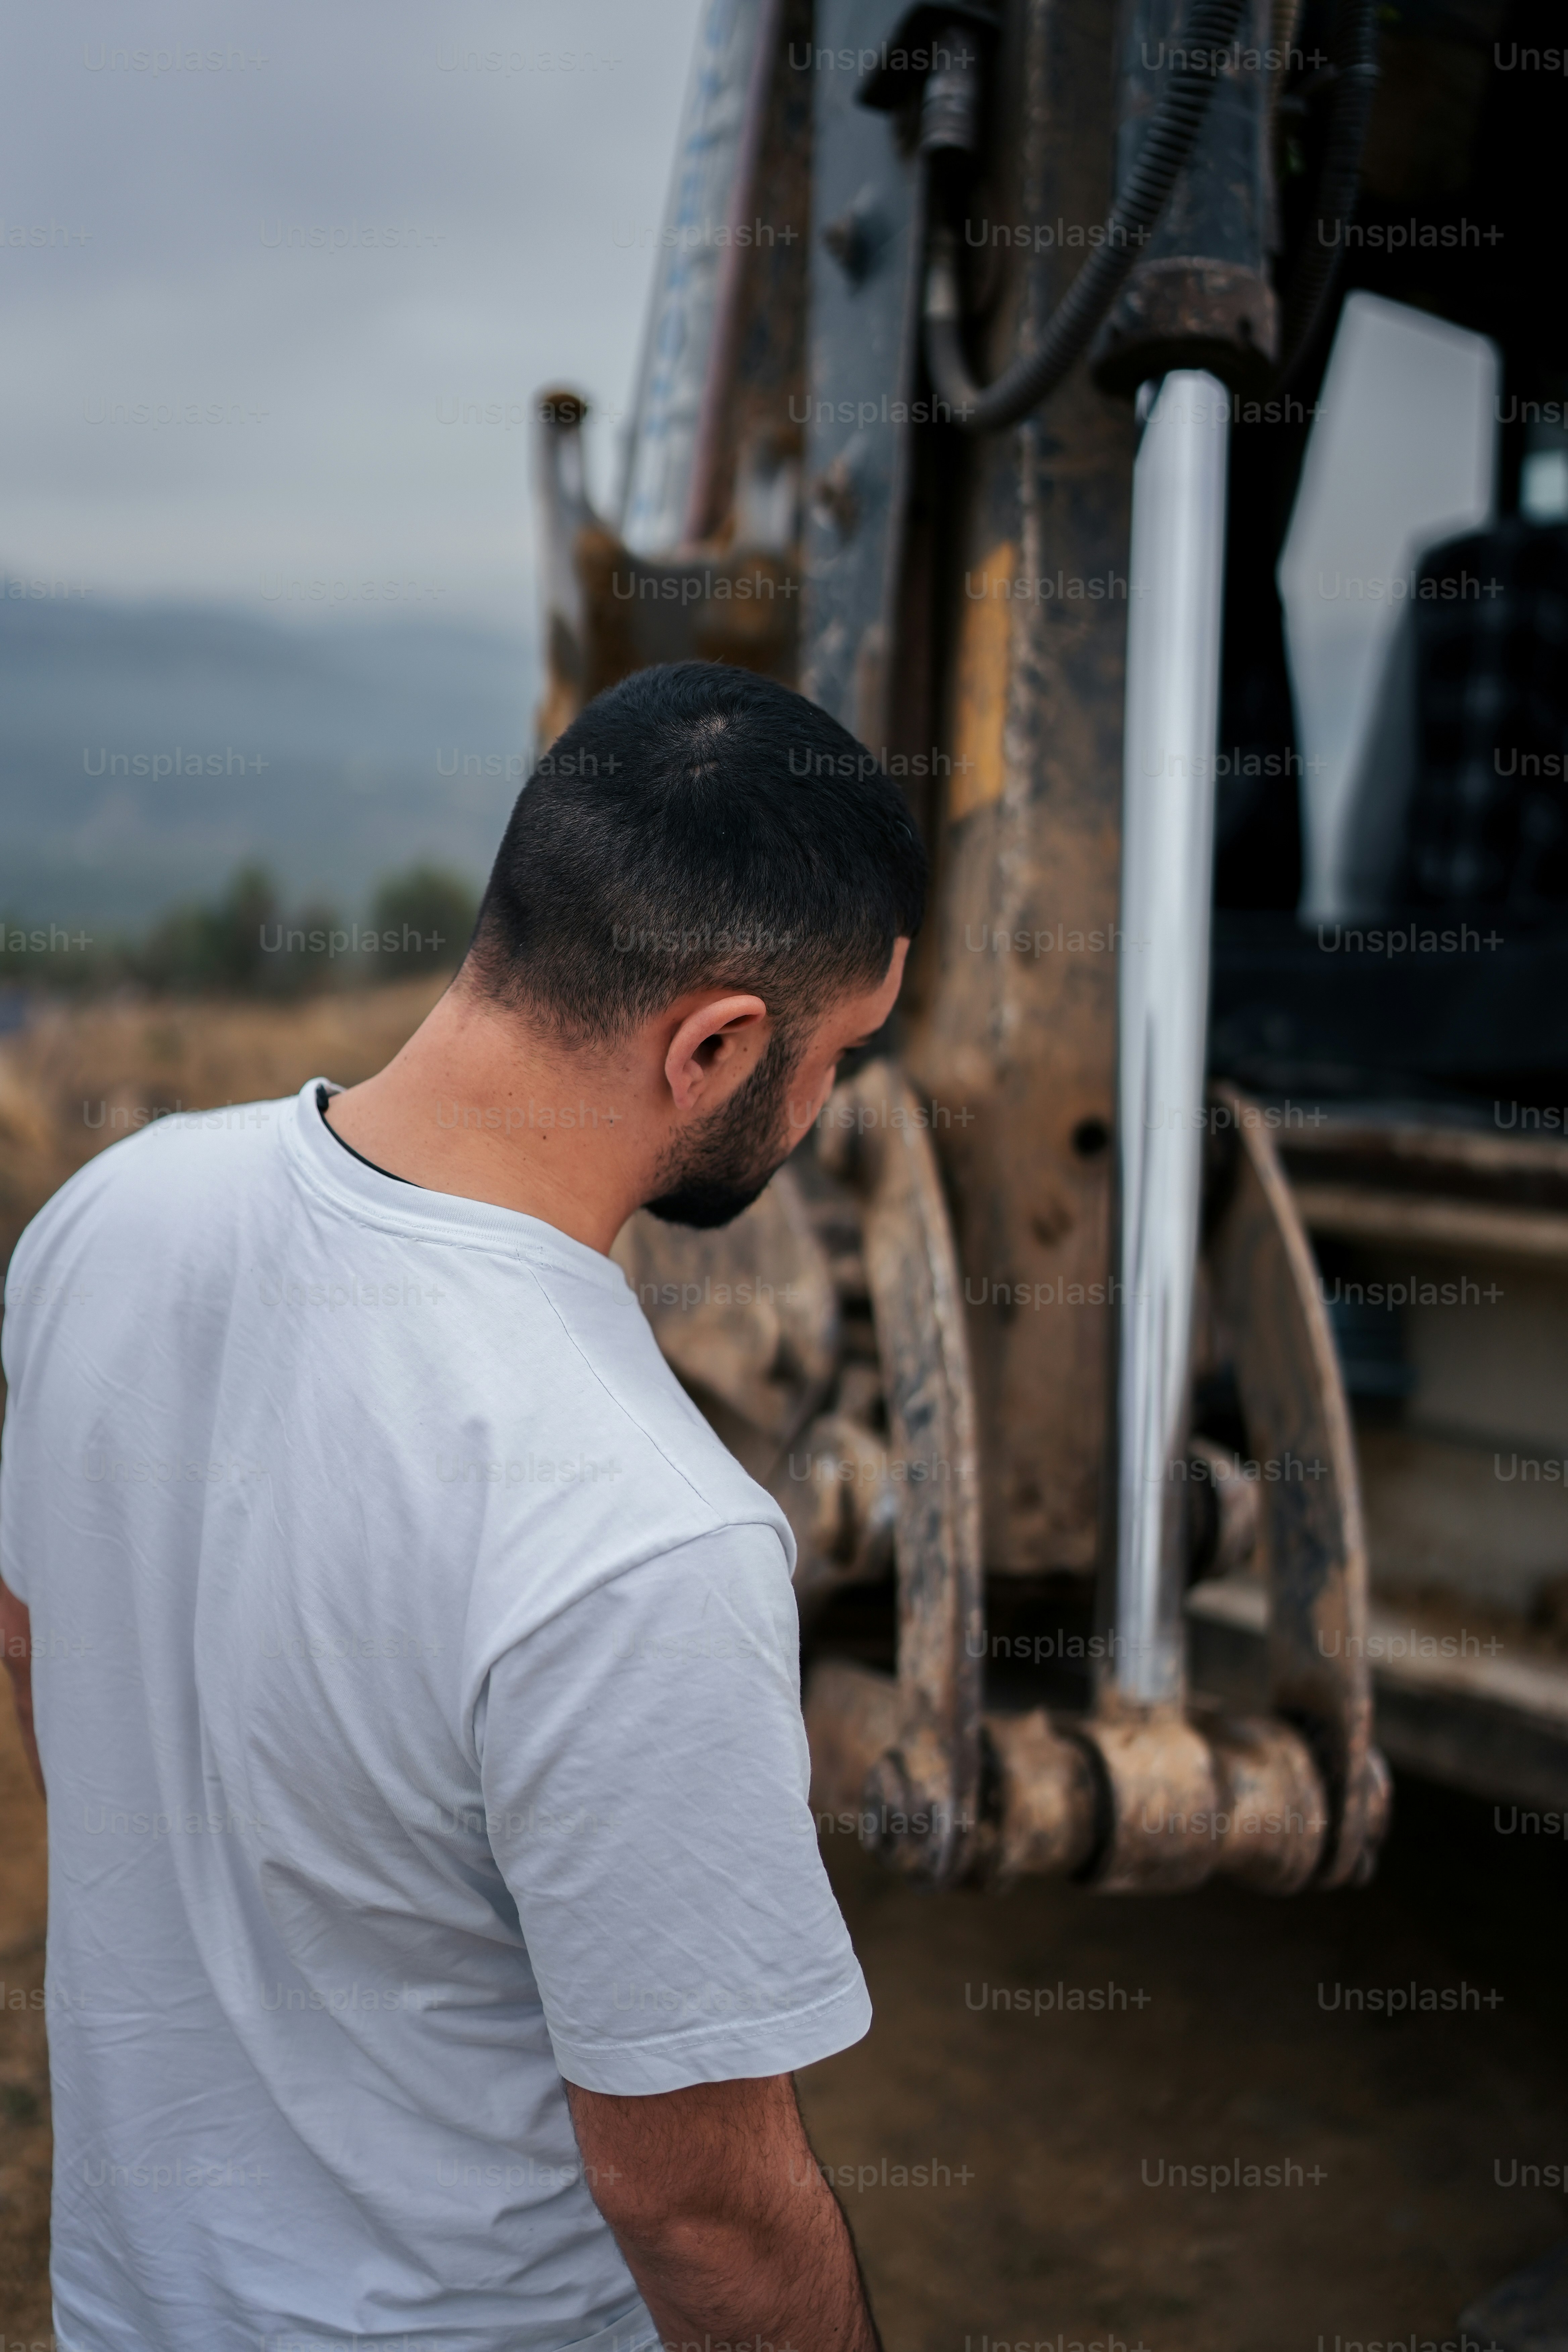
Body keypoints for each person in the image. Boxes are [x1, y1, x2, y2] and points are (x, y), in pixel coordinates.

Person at [0, 661, 926, 2352]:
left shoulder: (101, 1222)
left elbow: (39, 1641)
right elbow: (697, 2199)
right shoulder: (647, 1532)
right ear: (716, 1046)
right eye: (836, 1057)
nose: (828, 1108)